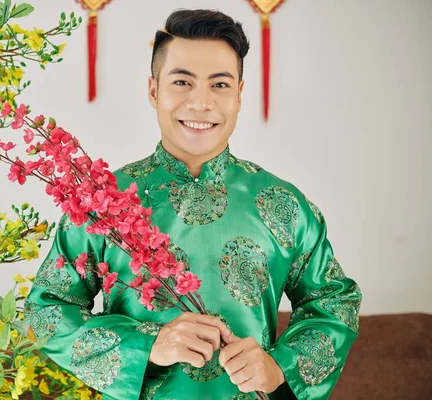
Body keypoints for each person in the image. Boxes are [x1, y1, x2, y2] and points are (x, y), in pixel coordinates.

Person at [25, 9, 362, 400]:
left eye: (219, 84)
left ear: (239, 94)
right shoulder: (103, 201)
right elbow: (46, 309)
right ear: (154, 90)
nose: (200, 103)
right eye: (182, 81)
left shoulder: (284, 204)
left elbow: (334, 302)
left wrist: (280, 365)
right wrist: (145, 345)